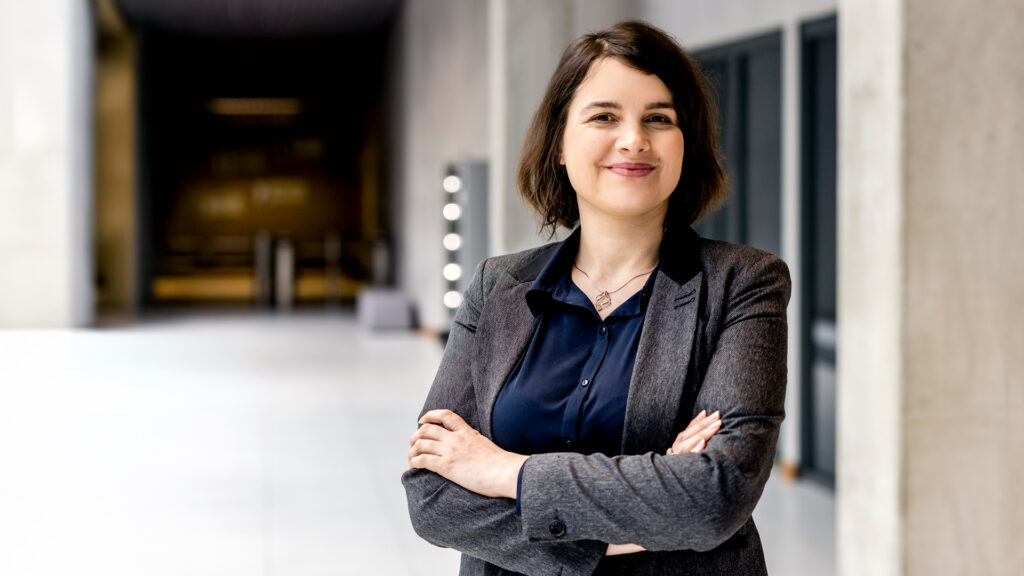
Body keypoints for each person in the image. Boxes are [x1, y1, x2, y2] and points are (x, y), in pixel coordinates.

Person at [403, 20, 790, 576]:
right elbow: (433, 497)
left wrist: (503, 471)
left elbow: (715, 497)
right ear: (561, 143)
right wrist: (634, 520)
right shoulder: (497, 286)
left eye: (659, 118)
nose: (634, 139)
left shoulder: (744, 283)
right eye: (604, 116)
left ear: (687, 144)